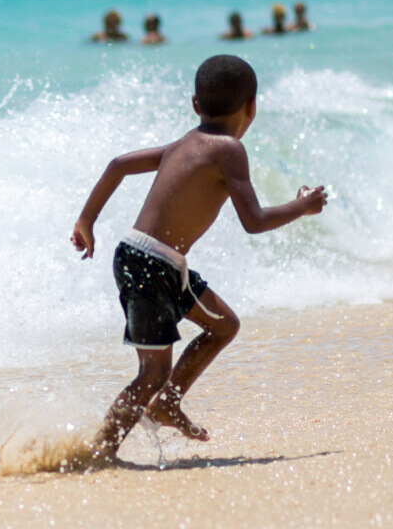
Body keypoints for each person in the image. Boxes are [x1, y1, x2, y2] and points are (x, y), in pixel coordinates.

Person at [70, 54, 327, 463]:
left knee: (223, 325)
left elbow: (118, 165)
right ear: (252, 107)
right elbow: (254, 221)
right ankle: (100, 450)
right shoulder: (230, 149)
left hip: (156, 261)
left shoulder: (182, 143)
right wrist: (302, 206)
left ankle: (167, 404)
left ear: (195, 104)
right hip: (150, 263)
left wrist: (87, 220)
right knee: (152, 372)